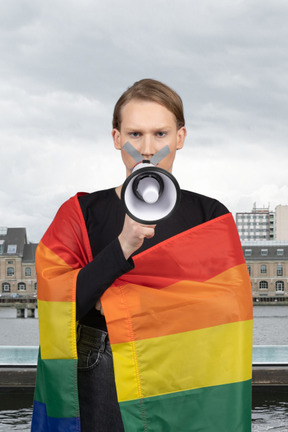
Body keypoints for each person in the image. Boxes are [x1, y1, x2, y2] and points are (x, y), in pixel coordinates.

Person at [31, 79, 253, 432]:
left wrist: (118, 300)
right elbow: (58, 302)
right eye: (135, 134)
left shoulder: (210, 216)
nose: (148, 149)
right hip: (102, 367)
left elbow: (229, 307)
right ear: (116, 138)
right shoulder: (80, 212)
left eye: (160, 134)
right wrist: (124, 245)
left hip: (188, 365)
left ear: (180, 138)